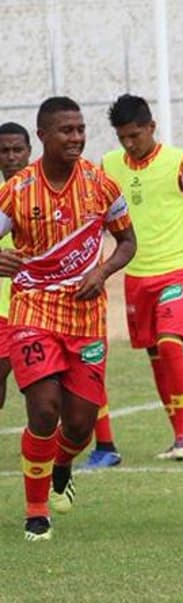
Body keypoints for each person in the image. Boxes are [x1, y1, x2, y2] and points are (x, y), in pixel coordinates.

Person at [0, 97, 136, 541]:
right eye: (66, 130)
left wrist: (102, 271)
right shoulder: (18, 190)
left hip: (86, 318)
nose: (76, 137)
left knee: (79, 424)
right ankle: (36, 512)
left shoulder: (101, 183)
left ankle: (62, 465)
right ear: (42, 136)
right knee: (43, 408)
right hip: (33, 310)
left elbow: (127, 242)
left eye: (80, 129)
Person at [97, 94, 183, 467]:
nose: (129, 144)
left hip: (175, 269)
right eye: (122, 138)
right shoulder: (108, 167)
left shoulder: (180, 162)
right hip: (136, 276)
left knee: (170, 344)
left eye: (135, 135)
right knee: (155, 354)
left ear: (151, 128)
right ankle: (178, 436)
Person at [0, 122, 32, 413]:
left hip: (38, 305)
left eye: (17, 150)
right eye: (4, 151)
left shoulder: (43, 192)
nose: (11, 157)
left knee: (40, 384)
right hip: (2, 307)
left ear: (29, 152)